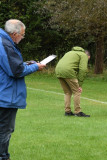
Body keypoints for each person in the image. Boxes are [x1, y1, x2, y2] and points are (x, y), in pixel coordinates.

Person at [0, 19, 46, 160]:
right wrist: (35, 67)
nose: (22, 38)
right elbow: (16, 71)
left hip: (4, 93)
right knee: (5, 130)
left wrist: (26, 64)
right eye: (22, 35)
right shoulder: (5, 44)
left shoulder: (4, 42)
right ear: (14, 34)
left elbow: (11, 65)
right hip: (6, 96)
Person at [55, 46, 90, 117]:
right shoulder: (83, 55)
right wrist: (80, 85)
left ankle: (67, 112)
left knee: (67, 92)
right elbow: (83, 70)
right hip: (68, 71)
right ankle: (78, 112)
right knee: (77, 91)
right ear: (88, 56)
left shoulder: (70, 52)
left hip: (58, 70)